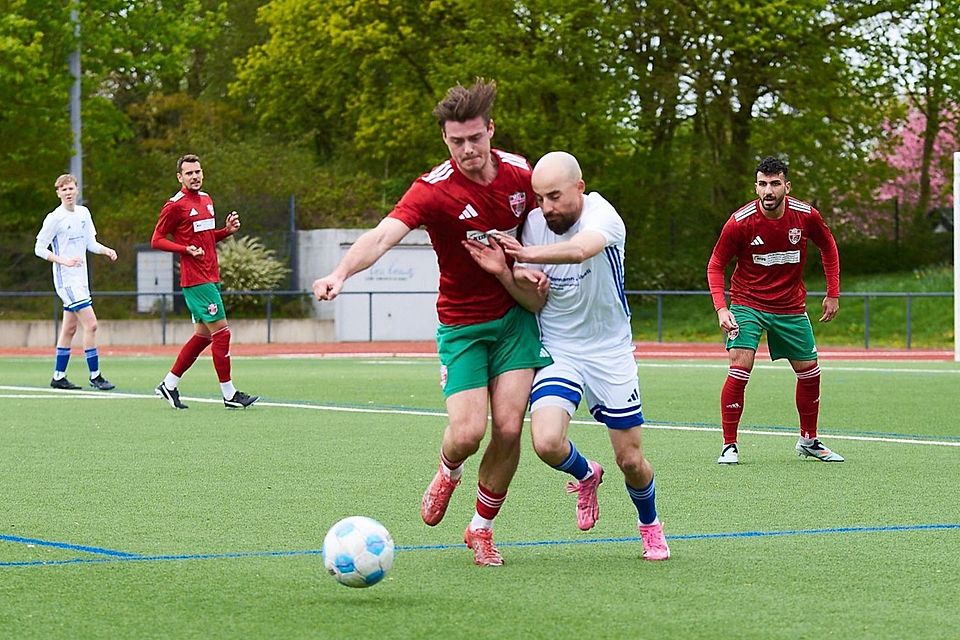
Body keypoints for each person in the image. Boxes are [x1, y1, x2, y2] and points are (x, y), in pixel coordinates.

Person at [312, 79, 552, 567]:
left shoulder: (522, 175)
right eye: (455, 141)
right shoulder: (433, 190)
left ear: (490, 130)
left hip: (513, 319)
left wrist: (534, 261)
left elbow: (551, 219)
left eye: (474, 139)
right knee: (468, 432)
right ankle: (448, 470)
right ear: (445, 140)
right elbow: (381, 237)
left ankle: (481, 530)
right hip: (462, 325)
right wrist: (340, 273)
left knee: (508, 429)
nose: (466, 149)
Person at [464, 151, 670, 561]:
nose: (546, 208)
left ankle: (649, 525)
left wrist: (521, 254)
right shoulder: (534, 224)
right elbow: (533, 299)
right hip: (559, 349)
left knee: (630, 460)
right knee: (546, 442)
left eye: (555, 197)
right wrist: (509, 272)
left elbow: (578, 250)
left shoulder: (603, 216)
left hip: (610, 352)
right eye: (539, 198)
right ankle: (585, 473)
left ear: (579, 186)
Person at [707, 156, 843, 464]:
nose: (769, 190)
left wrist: (832, 293)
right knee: (740, 365)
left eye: (775, 184)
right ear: (756, 187)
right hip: (748, 303)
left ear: (787, 186)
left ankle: (808, 441)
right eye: (763, 184)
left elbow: (829, 247)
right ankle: (729, 444)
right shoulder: (739, 222)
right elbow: (716, 265)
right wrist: (721, 308)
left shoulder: (806, 216)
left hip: (790, 305)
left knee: (810, 372)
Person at [151, 154, 259, 410]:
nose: (195, 176)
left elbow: (207, 238)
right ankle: (230, 394)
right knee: (222, 332)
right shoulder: (174, 205)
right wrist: (185, 250)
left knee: (203, 336)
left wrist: (226, 231)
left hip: (211, 275)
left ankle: (169, 384)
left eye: (198, 171)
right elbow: (156, 239)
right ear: (180, 177)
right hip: (196, 278)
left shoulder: (207, 200)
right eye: (189, 173)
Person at [35, 174, 118, 391]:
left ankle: (58, 376)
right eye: (64, 190)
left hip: (81, 280)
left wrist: (105, 250)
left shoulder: (83, 213)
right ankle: (95, 375)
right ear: (58, 193)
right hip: (66, 282)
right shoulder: (54, 218)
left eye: (71, 188)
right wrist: (63, 260)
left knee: (69, 329)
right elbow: (39, 248)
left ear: (77, 190)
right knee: (91, 324)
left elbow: (90, 242)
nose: (68, 192)